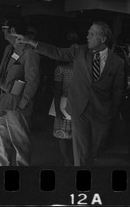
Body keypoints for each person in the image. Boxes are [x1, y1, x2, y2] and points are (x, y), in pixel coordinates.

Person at [13, 21, 124, 166]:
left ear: (103, 39)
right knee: (80, 153)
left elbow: (118, 91)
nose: (87, 36)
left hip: (101, 114)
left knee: (95, 152)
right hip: (79, 111)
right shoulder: (79, 51)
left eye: (92, 34)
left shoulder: (117, 62)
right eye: (88, 32)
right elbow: (57, 52)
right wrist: (32, 42)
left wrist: (111, 113)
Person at [0, 16, 40, 166]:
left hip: (17, 106)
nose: (2, 32)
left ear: (12, 30)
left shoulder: (30, 51)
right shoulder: (9, 48)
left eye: (4, 28)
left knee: (20, 144)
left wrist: (21, 105)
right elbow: (1, 75)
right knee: (1, 143)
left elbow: (33, 81)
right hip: (2, 102)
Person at [51, 31, 79, 166]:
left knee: (75, 136)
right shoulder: (60, 68)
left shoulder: (84, 69)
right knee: (63, 134)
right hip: (63, 103)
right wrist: (57, 108)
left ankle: (72, 160)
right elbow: (57, 90)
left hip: (78, 104)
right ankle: (67, 159)